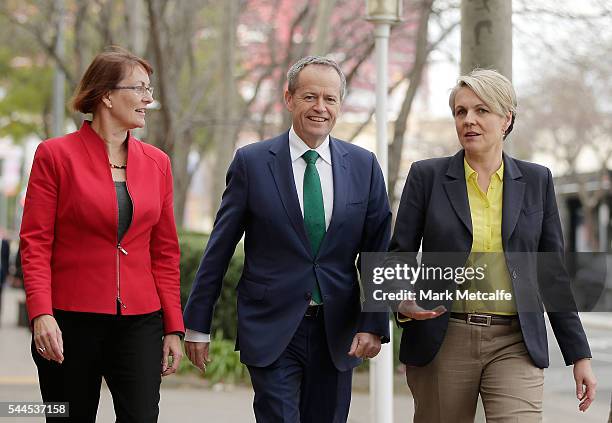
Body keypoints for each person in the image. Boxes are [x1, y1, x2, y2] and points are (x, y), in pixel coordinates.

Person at [183, 55, 391, 423]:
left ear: (340, 105)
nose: (320, 108)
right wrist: (198, 323)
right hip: (272, 327)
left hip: (337, 331)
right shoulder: (252, 163)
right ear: (289, 98)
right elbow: (219, 248)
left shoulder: (364, 165)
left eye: (330, 99)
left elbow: (377, 251)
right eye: (310, 97)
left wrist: (374, 323)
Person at [390, 68, 597, 422]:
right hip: (444, 336)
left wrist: (579, 354)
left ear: (507, 119)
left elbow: (552, 273)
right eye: (461, 111)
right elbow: (399, 254)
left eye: (481, 110)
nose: (469, 120)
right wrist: (399, 297)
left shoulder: (537, 180)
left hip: (516, 341)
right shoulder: (427, 176)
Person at [20, 47, 184, 422]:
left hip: (140, 321)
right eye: (140, 88)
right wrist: (41, 313)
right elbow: (35, 242)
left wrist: (173, 326)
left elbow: (165, 252)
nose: (149, 98)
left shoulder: (158, 163)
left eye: (150, 89)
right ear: (107, 95)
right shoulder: (55, 156)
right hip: (69, 321)